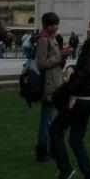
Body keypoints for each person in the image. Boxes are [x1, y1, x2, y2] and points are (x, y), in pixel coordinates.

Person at [49, 18, 90, 179]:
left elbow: (87, 71)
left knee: (55, 130)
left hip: (79, 99)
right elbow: (87, 70)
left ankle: (65, 170)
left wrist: (73, 93)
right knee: (76, 140)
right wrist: (72, 67)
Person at [34, 11, 72, 162]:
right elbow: (41, 64)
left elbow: (55, 62)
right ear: (45, 25)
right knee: (48, 118)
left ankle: (49, 148)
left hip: (56, 83)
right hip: (49, 85)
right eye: (52, 24)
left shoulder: (51, 38)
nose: (55, 26)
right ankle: (44, 150)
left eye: (56, 24)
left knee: (52, 117)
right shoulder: (44, 39)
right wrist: (60, 55)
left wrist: (64, 55)